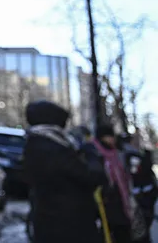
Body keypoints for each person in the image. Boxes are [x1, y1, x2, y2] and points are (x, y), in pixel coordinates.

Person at [23, 100, 107, 243]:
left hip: (52, 224)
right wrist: (92, 154)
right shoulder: (53, 148)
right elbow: (91, 176)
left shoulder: (36, 144)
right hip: (69, 226)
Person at [84, 123, 138, 243]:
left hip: (120, 199)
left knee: (124, 232)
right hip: (104, 202)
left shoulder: (116, 152)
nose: (112, 139)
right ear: (102, 137)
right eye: (109, 136)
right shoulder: (93, 153)